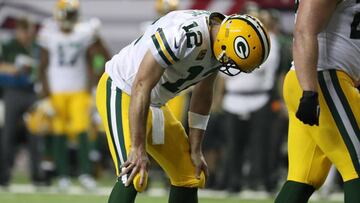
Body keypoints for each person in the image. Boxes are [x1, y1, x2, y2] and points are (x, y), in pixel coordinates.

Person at [96, 10, 270, 203]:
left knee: (189, 174)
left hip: (154, 101)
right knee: (134, 172)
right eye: (231, 60)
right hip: (124, 90)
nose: (230, 64)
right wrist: (138, 147)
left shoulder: (218, 40)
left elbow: (202, 95)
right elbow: (141, 84)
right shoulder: (184, 34)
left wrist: (196, 148)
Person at [275, 0, 360, 202]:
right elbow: (304, 31)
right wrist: (309, 91)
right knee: (357, 166)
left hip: (326, 79)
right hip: (322, 79)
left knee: (304, 177)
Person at [37, 0, 109, 191]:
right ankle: (62, 176)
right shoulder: (48, 33)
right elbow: (42, 66)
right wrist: (44, 97)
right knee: (58, 133)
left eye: (71, 14)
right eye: (67, 14)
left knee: (83, 132)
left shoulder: (84, 32)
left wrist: (98, 38)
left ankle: (86, 174)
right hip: (56, 92)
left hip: (79, 91)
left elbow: (103, 57)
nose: (69, 18)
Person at [0, 18, 44, 187]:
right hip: (12, 92)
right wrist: (15, 69)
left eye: (29, 32)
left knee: (35, 134)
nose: (26, 35)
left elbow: (41, 69)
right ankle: (3, 175)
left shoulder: (35, 46)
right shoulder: (9, 45)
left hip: (31, 93)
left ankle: (37, 175)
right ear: (18, 31)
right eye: (24, 31)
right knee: (8, 135)